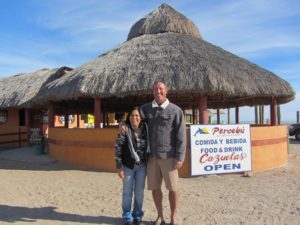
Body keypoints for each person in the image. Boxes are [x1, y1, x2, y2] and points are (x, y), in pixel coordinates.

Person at [120, 80, 186, 225]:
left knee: (173, 188)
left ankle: (173, 217)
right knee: (155, 188)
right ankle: (160, 216)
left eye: (161, 89)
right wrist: (122, 124)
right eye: (155, 89)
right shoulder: (146, 109)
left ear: (166, 91)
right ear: (153, 91)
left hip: (170, 157)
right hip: (151, 158)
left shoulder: (176, 111)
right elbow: (133, 116)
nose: (158, 92)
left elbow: (181, 136)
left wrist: (180, 157)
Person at [115, 107, 150, 225]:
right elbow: (118, 148)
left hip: (142, 166)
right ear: (128, 118)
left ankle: (137, 215)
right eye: (132, 116)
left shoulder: (145, 128)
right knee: (127, 192)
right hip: (128, 166)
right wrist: (119, 167)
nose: (134, 118)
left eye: (137, 115)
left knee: (139, 192)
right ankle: (127, 216)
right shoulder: (124, 129)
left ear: (141, 117)